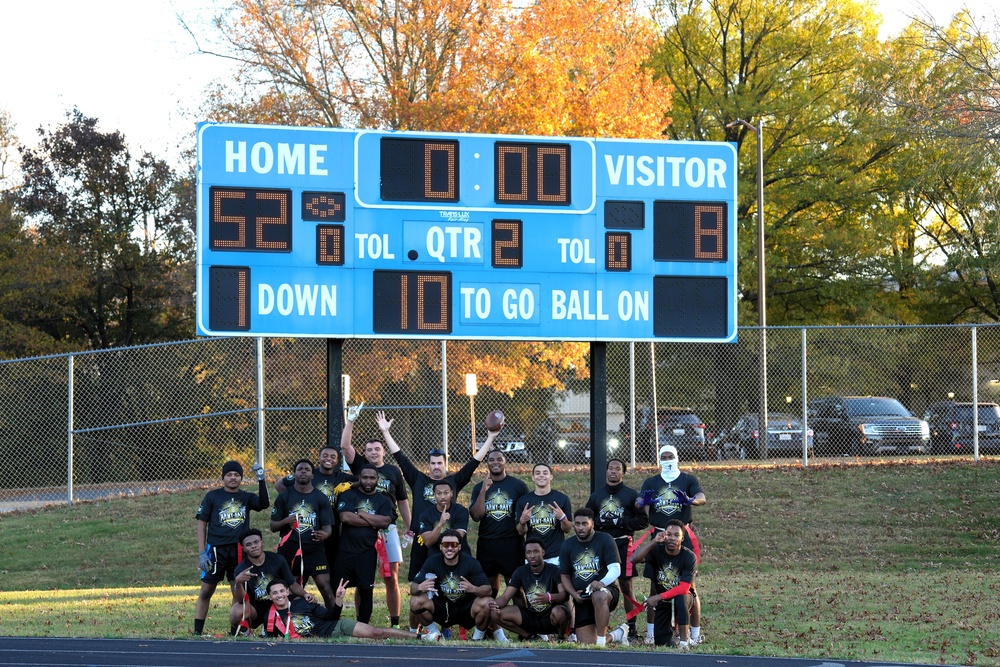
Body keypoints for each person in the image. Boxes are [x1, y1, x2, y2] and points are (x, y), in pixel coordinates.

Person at [375, 409, 494, 580]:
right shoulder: (417, 479)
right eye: (433, 463)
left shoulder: (454, 481)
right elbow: (400, 457)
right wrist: (386, 432)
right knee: (419, 582)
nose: (436, 466)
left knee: (449, 579)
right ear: (429, 465)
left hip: (449, 538)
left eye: (439, 463)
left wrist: (490, 437)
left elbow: (474, 462)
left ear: (445, 464)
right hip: (424, 538)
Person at [341, 403, 410, 627]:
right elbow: (345, 446)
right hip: (361, 530)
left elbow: (402, 501)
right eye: (369, 449)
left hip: (387, 528)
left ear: (383, 451)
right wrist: (351, 420)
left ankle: (395, 622)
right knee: (362, 580)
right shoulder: (360, 466)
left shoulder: (392, 471)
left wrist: (410, 528)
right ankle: (363, 622)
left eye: (376, 449)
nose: (372, 453)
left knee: (391, 577)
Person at [635, 444, 707, 645]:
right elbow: (638, 501)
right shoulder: (651, 481)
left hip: (681, 535)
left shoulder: (687, 480)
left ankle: (695, 634)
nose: (667, 459)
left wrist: (691, 500)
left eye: (670, 456)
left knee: (689, 587)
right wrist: (642, 502)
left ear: (677, 457)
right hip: (658, 534)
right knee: (654, 584)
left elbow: (702, 497)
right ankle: (651, 634)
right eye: (663, 456)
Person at [194, 460, 269, 636]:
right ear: (223, 478)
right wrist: (201, 552)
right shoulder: (213, 496)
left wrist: (261, 479)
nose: (233, 478)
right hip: (216, 550)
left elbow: (264, 504)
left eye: (237, 475)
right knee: (206, 590)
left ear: (241, 478)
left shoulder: (246, 497)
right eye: (229, 475)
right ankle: (197, 631)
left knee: (237, 590)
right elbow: (201, 523)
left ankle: (234, 629)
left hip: (238, 550)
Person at [585, 457, 648, 641]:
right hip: (602, 546)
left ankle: (632, 629)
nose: (613, 471)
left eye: (617, 469)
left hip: (622, 544)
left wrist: (621, 522)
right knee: (597, 584)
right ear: (606, 471)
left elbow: (643, 520)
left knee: (626, 586)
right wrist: (599, 522)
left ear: (623, 472)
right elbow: (587, 519)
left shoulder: (630, 494)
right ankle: (595, 626)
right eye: (610, 468)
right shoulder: (597, 496)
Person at [331, 463, 395, 624]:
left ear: (377, 480)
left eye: (372, 478)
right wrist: (374, 521)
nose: (368, 481)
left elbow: (386, 521)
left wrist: (361, 513)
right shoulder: (348, 495)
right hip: (344, 551)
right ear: (359, 478)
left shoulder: (383, 499)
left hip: (367, 553)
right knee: (337, 589)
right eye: (365, 477)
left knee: (366, 590)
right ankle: (332, 622)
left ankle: (363, 625)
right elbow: (345, 517)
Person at [269, 459, 336, 610]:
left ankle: (334, 622)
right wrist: (286, 520)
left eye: (307, 469)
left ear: (313, 475)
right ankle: (290, 621)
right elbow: (273, 526)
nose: (303, 472)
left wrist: (325, 534)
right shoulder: (284, 497)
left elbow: (327, 527)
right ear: (294, 474)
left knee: (326, 588)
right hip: (290, 551)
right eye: (300, 469)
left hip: (314, 551)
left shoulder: (320, 497)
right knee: (289, 589)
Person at [262, 579, 423, 640]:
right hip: (326, 639)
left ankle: (419, 637)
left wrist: (338, 599)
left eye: (282, 591)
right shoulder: (270, 617)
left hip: (335, 626)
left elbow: (331, 616)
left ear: (287, 592)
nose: (279, 595)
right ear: (269, 597)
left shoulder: (302, 603)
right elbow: (271, 641)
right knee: (363, 643)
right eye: (275, 593)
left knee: (377, 633)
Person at [275, 445, 356, 565]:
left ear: (337, 460)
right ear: (319, 457)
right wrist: (292, 499)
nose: (328, 459)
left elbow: (363, 481)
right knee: (303, 564)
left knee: (330, 561)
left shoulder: (341, 477)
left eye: (333, 457)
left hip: (330, 524)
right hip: (309, 523)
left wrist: (350, 484)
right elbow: (279, 485)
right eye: (325, 455)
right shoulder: (309, 473)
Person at [409, 529, 496, 641]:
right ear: (440, 547)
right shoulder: (432, 561)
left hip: (466, 608)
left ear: (459, 547)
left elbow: (488, 590)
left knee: (488, 602)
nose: (449, 548)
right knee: (416, 600)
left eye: (453, 544)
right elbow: (413, 588)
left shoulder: (471, 563)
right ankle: (435, 635)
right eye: (446, 544)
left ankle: (477, 639)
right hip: (441, 607)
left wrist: (473, 588)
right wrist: (420, 587)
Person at [558, 508, 628, 646]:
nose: (580, 527)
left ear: (592, 524)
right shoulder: (567, 545)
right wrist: (573, 594)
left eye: (585, 524)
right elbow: (565, 575)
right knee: (586, 643)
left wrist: (601, 583)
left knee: (598, 595)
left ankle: (601, 642)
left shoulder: (605, 539)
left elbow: (616, 569)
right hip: (582, 598)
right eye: (577, 524)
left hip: (606, 592)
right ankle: (618, 633)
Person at [230, 528, 315, 634]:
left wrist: (305, 594)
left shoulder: (277, 559)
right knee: (235, 612)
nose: (253, 546)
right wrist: (238, 582)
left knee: (304, 601)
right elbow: (241, 601)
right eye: (249, 544)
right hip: (257, 606)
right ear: (244, 548)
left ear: (262, 542)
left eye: (256, 542)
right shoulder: (240, 569)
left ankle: (303, 630)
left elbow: (292, 584)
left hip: (279, 601)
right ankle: (248, 634)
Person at [629, 519, 697, 648]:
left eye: (677, 535)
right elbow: (633, 559)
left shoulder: (689, 557)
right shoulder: (657, 550)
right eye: (669, 534)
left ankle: (683, 642)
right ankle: (678, 639)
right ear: (664, 535)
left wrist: (657, 597)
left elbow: (683, 588)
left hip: (683, 598)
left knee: (681, 598)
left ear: (682, 539)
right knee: (662, 643)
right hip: (664, 601)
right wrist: (654, 541)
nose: (672, 538)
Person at [469, 450, 530, 596]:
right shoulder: (479, 487)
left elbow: (525, 517)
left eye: (499, 459)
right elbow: (476, 516)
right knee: (488, 590)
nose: (495, 462)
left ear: (505, 461)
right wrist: (484, 491)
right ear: (487, 463)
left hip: (511, 543)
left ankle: (522, 617)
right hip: (487, 543)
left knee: (516, 589)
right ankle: (491, 618)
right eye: (491, 460)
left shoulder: (518, 486)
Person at [490, 537, 569, 640]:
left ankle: (561, 637)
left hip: (551, 616)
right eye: (528, 552)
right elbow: (505, 597)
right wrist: (492, 605)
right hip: (532, 616)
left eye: (536, 551)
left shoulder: (554, 570)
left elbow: (564, 595)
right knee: (495, 614)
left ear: (543, 552)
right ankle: (530, 636)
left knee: (559, 613)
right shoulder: (520, 572)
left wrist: (549, 597)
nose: (532, 555)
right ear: (525, 555)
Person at [515, 462, 572, 563]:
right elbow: (520, 532)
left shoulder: (562, 499)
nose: (541, 475)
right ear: (533, 477)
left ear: (551, 476)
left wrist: (562, 517)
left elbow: (567, 529)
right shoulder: (524, 501)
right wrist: (522, 521)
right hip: (533, 555)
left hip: (556, 555)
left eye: (545, 473)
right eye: (537, 473)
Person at [418, 479, 471, 556]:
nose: (442, 497)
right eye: (439, 493)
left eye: (446, 493)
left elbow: (457, 539)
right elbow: (428, 542)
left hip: (460, 555)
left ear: (452, 493)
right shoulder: (425, 515)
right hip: (436, 557)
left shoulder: (461, 511)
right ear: (434, 495)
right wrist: (440, 524)